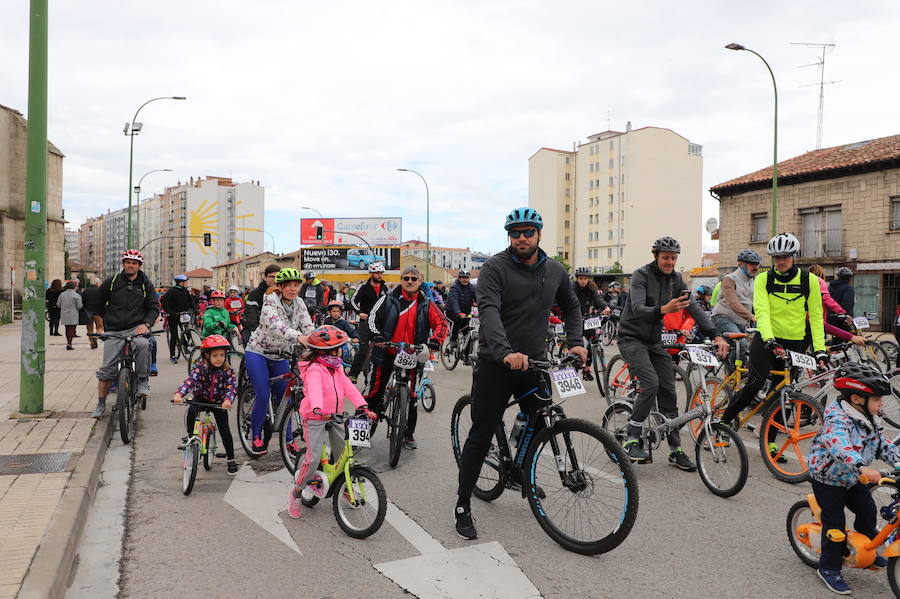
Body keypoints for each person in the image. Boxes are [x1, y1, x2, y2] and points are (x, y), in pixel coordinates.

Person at [454, 207, 587, 540]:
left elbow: (571, 307)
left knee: (540, 417)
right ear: (509, 237)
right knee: (482, 432)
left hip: (535, 362)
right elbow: (489, 311)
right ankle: (462, 504)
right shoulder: (495, 268)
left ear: (539, 234)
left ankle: (520, 472)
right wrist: (504, 352)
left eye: (528, 232)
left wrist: (577, 342)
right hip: (496, 362)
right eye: (515, 233)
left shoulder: (555, 270)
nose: (522, 238)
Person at [616, 236, 729, 468]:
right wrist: (663, 310)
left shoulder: (676, 279)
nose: (669, 262)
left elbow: (694, 308)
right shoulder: (641, 276)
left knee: (669, 391)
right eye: (666, 257)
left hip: (653, 341)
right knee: (650, 383)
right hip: (631, 338)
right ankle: (631, 439)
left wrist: (716, 334)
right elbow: (637, 308)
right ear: (655, 255)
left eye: (673, 258)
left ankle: (675, 450)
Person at [719, 233, 829, 461]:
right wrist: (769, 340)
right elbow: (762, 312)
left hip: (795, 341)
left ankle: (769, 442)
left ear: (793, 256)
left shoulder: (809, 281)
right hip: (767, 339)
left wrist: (820, 350)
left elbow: (816, 318)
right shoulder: (763, 280)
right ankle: (724, 421)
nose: (781, 261)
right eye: (777, 257)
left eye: (785, 257)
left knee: (786, 392)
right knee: (756, 382)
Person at [806, 361, 900, 594]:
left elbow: (882, 445)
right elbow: (840, 446)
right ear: (857, 399)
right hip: (828, 479)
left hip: (853, 478)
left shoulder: (870, 417)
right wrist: (861, 466)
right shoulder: (837, 419)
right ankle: (828, 568)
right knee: (835, 524)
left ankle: (866, 548)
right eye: (878, 400)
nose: (881, 405)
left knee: (867, 510)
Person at [287, 325, 375, 519]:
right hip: (316, 416)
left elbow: (348, 388)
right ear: (327, 352)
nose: (342, 352)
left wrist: (363, 406)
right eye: (339, 349)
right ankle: (297, 491)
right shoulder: (314, 370)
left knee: (343, 453)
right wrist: (318, 408)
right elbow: (315, 390)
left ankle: (343, 486)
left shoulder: (337, 368)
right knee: (314, 458)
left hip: (335, 415)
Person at [365, 265, 448, 449]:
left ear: (419, 281)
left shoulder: (427, 303)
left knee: (412, 396)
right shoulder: (387, 299)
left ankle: (408, 433)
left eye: (413, 278)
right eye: (406, 278)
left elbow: (441, 323)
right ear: (401, 280)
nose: (409, 281)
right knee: (374, 392)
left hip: (413, 354)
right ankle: (363, 429)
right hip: (386, 351)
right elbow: (372, 318)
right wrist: (377, 336)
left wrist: (435, 340)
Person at [243, 268, 314, 456]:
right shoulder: (269, 303)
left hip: (281, 354)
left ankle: (288, 439)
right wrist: (299, 336)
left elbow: (308, 326)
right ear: (280, 287)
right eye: (288, 285)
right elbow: (276, 326)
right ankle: (256, 438)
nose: (292, 289)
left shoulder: (299, 303)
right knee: (263, 393)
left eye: (296, 285)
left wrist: (319, 340)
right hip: (259, 351)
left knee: (287, 396)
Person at [92, 249, 160, 418]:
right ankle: (101, 404)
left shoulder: (146, 284)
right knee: (107, 368)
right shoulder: (112, 282)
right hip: (113, 329)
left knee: (144, 344)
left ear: (139, 266)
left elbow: (154, 307)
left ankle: (143, 381)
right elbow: (97, 305)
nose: (131, 265)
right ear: (123, 264)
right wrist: (100, 327)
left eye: (134, 263)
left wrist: (146, 324)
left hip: (136, 328)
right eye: (128, 262)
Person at [173, 334, 239, 475]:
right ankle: (191, 436)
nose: (219, 358)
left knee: (225, 430)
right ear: (207, 355)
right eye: (215, 355)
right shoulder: (201, 368)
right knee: (192, 411)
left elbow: (231, 387)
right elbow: (190, 381)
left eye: (222, 355)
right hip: (201, 398)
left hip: (219, 402)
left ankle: (231, 459)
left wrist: (227, 400)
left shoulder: (227, 371)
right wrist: (179, 394)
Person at [711, 249, 760, 365]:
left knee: (756, 347)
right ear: (741, 264)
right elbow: (734, 304)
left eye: (757, 264)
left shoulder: (754, 282)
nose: (756, 267)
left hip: (741, 322)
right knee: (741, 344)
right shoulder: (729, 279)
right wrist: (752, 317)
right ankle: (734, 377)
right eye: (752, 264)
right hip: (723, 318)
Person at [348, 262, 388, 383]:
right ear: (371, 273)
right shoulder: (363, 288)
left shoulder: (384, 288)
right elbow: (353, 301)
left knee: (382, 349)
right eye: (377, 272)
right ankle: (353, 374)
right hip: (365, 322)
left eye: (381, 273)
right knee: (363, 350)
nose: (379, 275)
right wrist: (360, 313)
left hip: (380, 323)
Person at [809, 264, 864, 347]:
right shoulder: (822, 284)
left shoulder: (830, 286)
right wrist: (845, 314)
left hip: (826, 318)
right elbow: (831, 301)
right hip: (827, 320)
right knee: (844, 340)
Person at [572, 267, 610, 381]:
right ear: (577, 279)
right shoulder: (572, 288)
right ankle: (573, 372)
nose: (583, 281)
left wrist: (605, 307)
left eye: (585, 278)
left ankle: (587, 369)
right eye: (581, 278)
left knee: (593, 340)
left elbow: (598, 299)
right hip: (573, 318)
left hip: (585, 319)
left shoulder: (591, 288)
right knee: (578, 346)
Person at [160, 274, 197, 363]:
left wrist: (195, 309)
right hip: (174, 315)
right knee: (174, 335)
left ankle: (185, 345)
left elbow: (191, 300)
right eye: (185, 282)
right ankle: (172, 355)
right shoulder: (172, 291)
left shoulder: (185, 291)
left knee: (187, 330)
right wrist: (169, 311)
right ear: (181, 282)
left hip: (183, 314)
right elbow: (163, 300)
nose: (187, 283)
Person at [242, 264, 279, 346]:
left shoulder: (282, 293)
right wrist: (257, 333)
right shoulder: (254, 294)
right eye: (271, 277)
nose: (274, 279)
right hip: (257, 331)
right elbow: (251, 314)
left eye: (277, 277)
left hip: (276, 331)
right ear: (265, 277)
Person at [446, 270, 477, 352]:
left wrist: (480, 306)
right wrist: (458, 312)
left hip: (466, 313)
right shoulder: (454, 287)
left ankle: (467, 356)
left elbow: (477, 298)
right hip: (452, 312)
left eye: (467, 278)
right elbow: (454, 301)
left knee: (468, 334)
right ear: (459, 278)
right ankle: (453, 339)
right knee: (458, 319)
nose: (465, 279)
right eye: (463, 277)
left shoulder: (472, 288)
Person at [323, 300, 359, 365]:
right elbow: (322, 330)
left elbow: (351, 331)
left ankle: (339, 364)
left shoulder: (344, 323)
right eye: (334, 311)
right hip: (328, 343)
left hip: (339, 343)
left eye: (338, 311)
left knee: (343, 351)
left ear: (340, 312)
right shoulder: (326, 321)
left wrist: (356, 337)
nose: (336, 313)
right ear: (329, 312)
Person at [827, 267, 855, 331]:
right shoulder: (848, 289)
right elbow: (847, 305)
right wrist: (847, 316)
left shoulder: (830, 287)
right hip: (841, 320)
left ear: (838, 276)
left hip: (828, 318)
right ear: (849, 278)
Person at [57, 281, 83, 350]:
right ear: (74, 287)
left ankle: (68, 342)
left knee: (67, 328)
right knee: (72, 329)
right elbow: (80, 306)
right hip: (73, 314)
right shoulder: (76, 295)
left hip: (64, 314)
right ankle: (69, 343)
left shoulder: (62, 295)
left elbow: (58, 304)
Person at [82, 277, 105, 349]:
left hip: (88, 312)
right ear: (97, 283)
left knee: (89, 329)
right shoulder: (100, 290)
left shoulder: (85, 291)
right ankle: (96, 337)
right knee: (100, 327)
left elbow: (83, 301)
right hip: (98, 312)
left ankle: (92, 343)